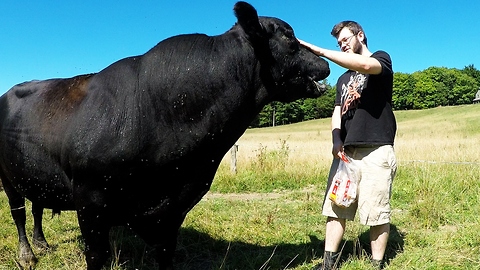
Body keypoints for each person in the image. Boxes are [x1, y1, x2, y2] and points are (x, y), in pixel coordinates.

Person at [298, 21, 397, 270]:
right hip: (346, 153)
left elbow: (364, 65)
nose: (341, 45)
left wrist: (319, 52)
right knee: (335, 208)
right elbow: (337, 111)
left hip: (376, 149)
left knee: (376, 212)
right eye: (338, 43)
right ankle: (328, 264)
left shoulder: (381, 59)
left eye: (345, 39)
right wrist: (335, 139)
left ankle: (376, 265)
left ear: (360, 35)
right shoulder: (343, 79)